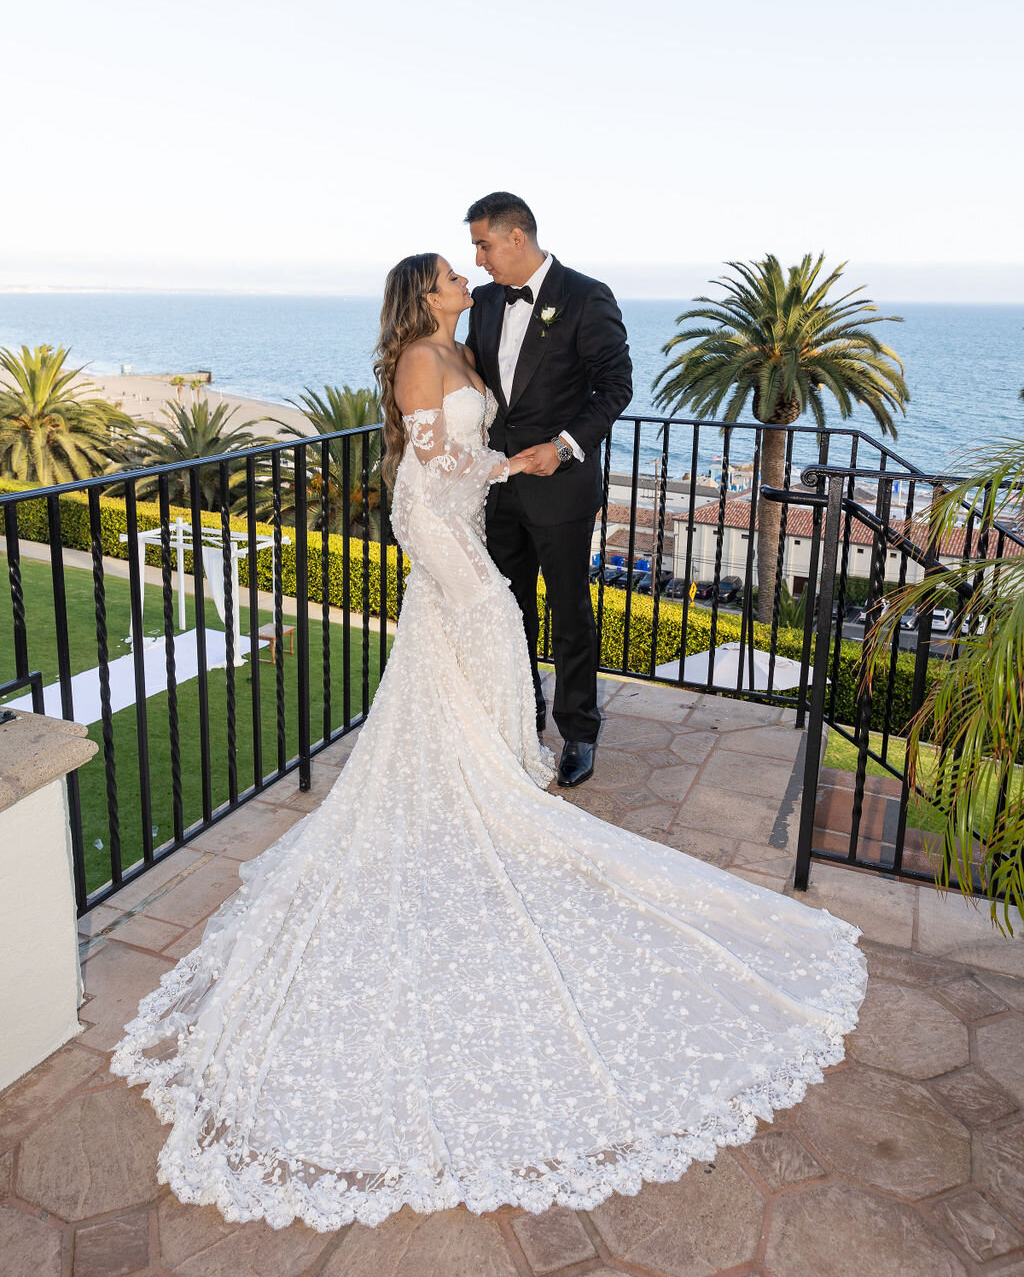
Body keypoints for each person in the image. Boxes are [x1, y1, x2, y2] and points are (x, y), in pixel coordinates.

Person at [110, 252, 866, 1233]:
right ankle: (483, 776)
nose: (466, 280)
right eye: (449, 277)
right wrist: (525, 460)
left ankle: (487, 765)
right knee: (490, 627)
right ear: (424, 297)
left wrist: (536, 446)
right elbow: (432, 466)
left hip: (467, 517)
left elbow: (505, 411)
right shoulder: (422, 364)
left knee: (480, 650)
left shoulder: (457, 347)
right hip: (441, 527)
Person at [465, 192, 633, 788]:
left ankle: (579, 732)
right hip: (498, 488)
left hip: (560, 489)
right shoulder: (483, 302)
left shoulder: (586, 296)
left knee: (569, 614)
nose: (479, 260)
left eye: (483, 245)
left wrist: (562, 448)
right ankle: (522, 717)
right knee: (511, 612)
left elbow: (616, 387)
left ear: (516, 238)